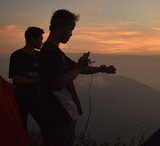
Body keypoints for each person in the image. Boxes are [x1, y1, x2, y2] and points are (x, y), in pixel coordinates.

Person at [38, 9, 116, 146]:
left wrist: (102, 69)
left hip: (63, 117)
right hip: (57, 118)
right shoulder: (49, 52)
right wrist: (79, 68)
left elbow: (77, 68)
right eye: (70, 29)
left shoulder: (56, 52)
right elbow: (57, 83)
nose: (71, 34)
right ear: (60, 26)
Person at [9, 26, 45, 130]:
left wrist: (28, 74)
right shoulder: (17, 56)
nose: (41, 42)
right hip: (21, 99)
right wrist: (36, 78)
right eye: (40, 39)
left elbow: (44, 75)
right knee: (21, 128)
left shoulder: (40, 55)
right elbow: (16, 80)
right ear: (32, 39)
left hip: (38, 98)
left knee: (46, 127)